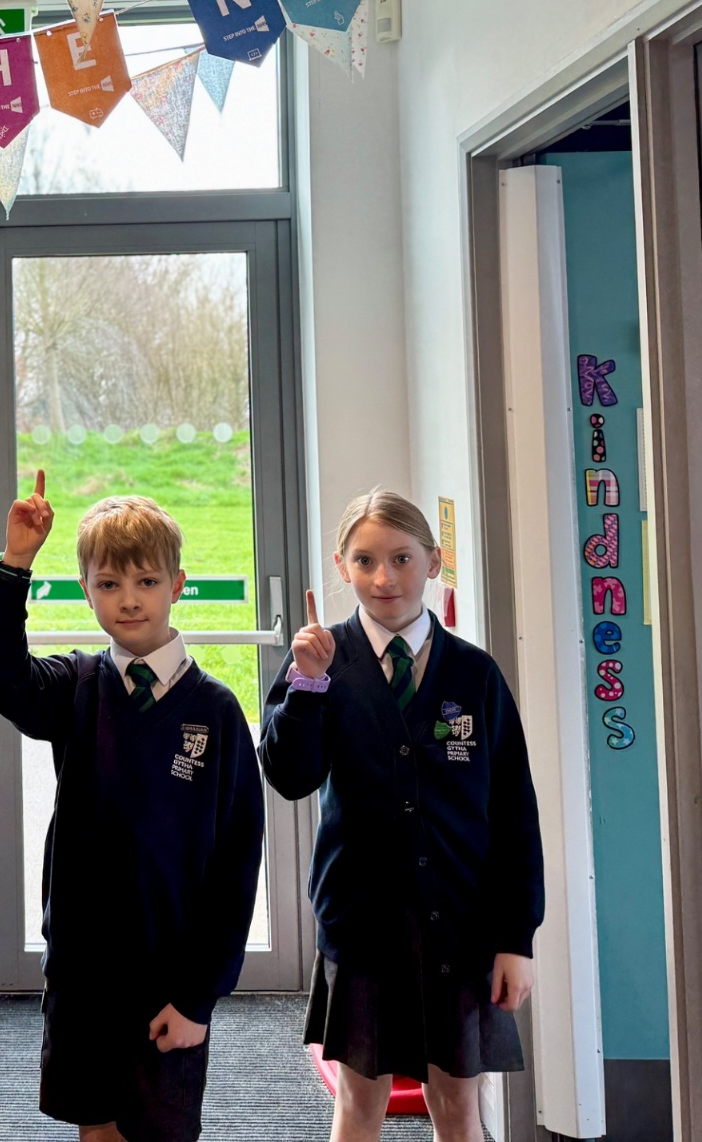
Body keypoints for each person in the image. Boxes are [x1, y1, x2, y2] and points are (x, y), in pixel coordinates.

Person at [0, 479, 264, 1142]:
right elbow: (0, 673)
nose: (129, 599)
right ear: (86, 590)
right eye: (108, 584)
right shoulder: (74, 687)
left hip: (170, 977)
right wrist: (15, 565)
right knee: (97, 1130)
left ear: (177, 585)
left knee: (160, 1131)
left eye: (146, 582)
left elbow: (236, 868)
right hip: (83, 974)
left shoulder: (217, 711)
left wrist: (198, 997)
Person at [259, 488, 545, 1142]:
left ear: (433, 561)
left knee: (458, 1104)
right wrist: (307, 686)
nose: (384, 577)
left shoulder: (474, 674)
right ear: (342, 566)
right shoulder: (320, 662)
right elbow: (289, 776)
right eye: (364, 561)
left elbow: (514, 812)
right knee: (361, 1102)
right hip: (363, 925)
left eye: (401, 558)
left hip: (462, 929)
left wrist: (516, 937)